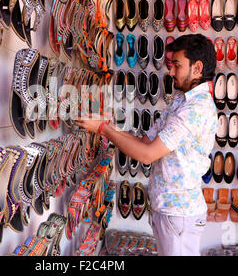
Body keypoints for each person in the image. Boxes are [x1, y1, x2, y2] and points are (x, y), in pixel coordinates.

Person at [75, 34, 218, 256]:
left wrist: (103, 129)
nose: (171, 72)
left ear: (197, 68)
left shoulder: (195, 109)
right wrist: (105, 125)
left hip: (178, 213)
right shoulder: (181, 101)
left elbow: (147, 155)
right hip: (169, 210)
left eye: (177, 65)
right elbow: (146, 142)